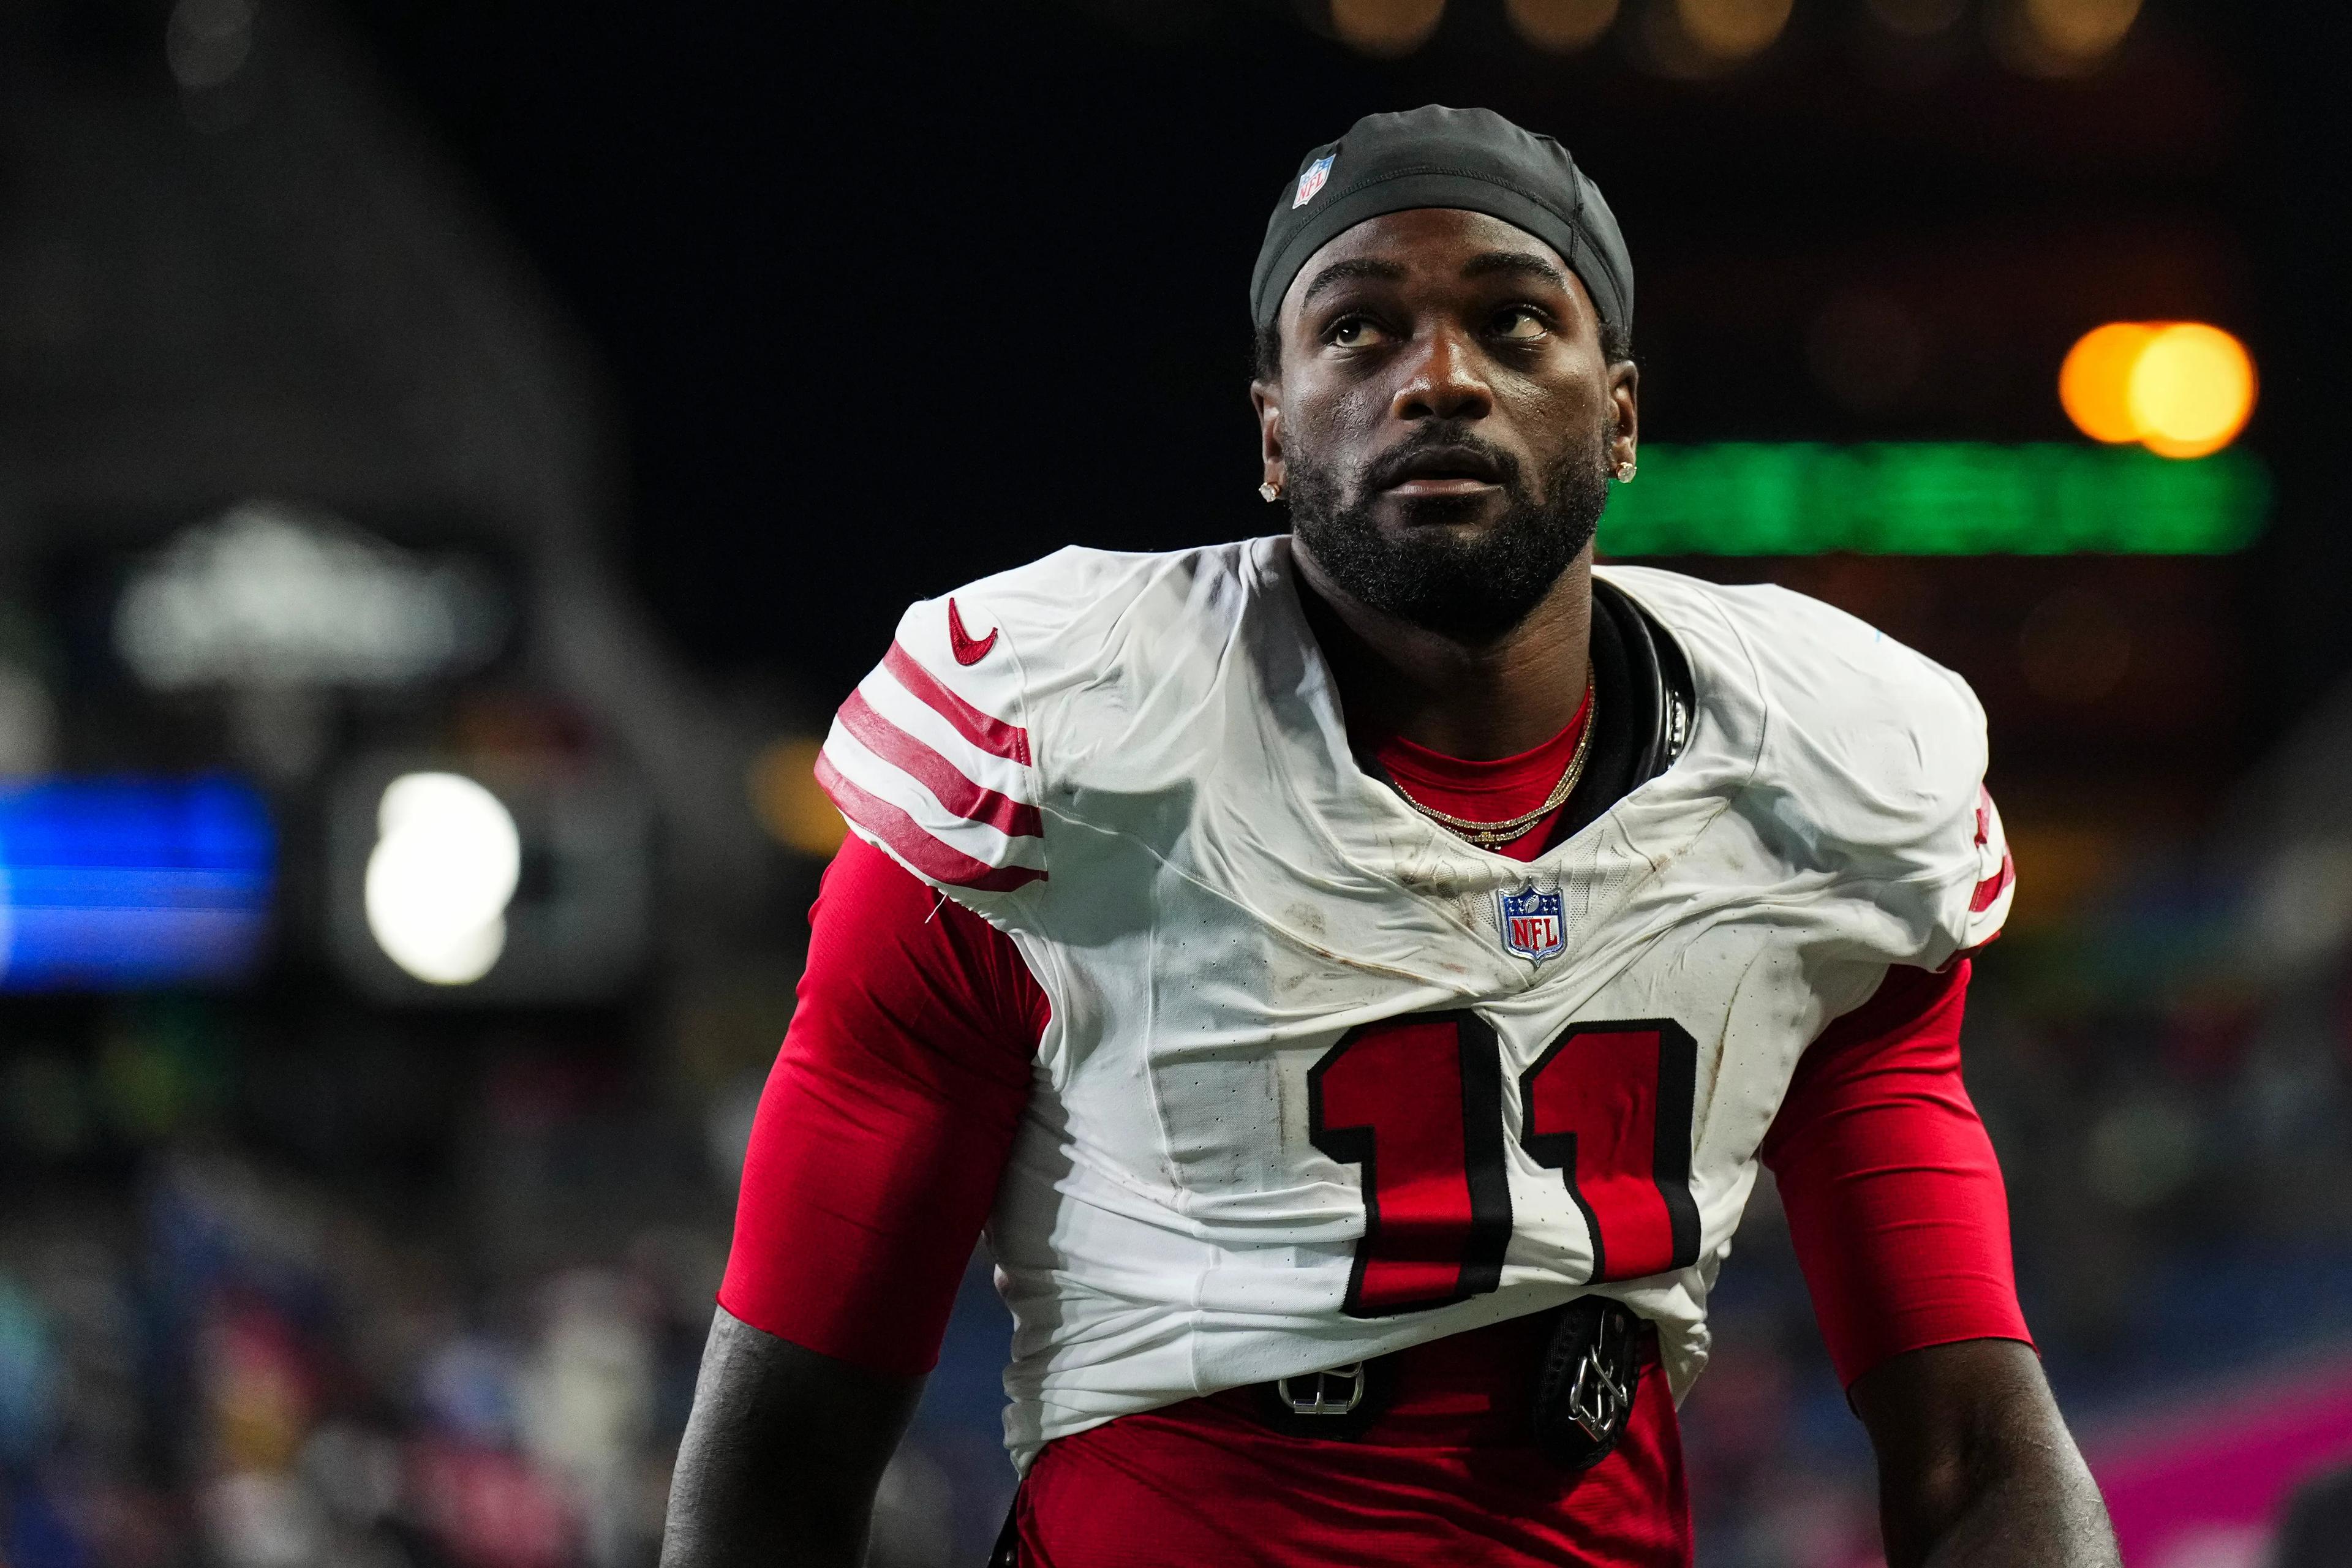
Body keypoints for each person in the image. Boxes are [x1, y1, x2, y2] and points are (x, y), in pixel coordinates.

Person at [660, 105, 2118, 1567]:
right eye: (1359, 328)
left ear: (1620, 417)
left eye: (1514, 321)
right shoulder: (1055, 752)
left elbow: (1975, 1443)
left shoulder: (1821, 776)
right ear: (1273, 430)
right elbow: (785, 1443)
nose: (1439, 380)